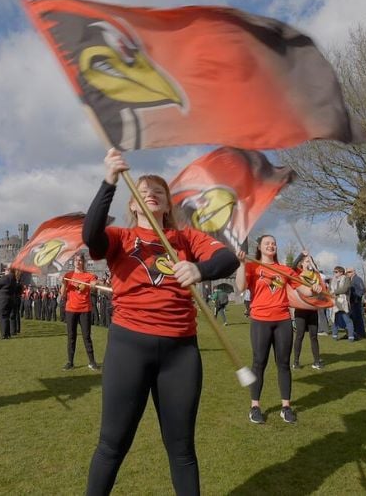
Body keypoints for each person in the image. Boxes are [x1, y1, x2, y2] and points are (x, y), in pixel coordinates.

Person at [82, 149, 239, 495]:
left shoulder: (186, 239)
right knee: (112, 445)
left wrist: (200, 269)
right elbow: (90, 235)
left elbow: (228, 259)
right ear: (134, 204)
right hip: (128, 347)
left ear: (167, 204)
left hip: (180, 353)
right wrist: (109, 180)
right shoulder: (121, 237)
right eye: (143, 190)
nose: (151, 193)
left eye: (159, 191)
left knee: (182, 450)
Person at [236, 237, 323, 425]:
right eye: (267, 243)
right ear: (259, 247)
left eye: (274, 243)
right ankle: (255, 407)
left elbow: (305, 291)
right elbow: (240, 286)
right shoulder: (253, 267)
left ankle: (286, 407)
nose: (271, 245)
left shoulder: (284, 269)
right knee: (259, 363)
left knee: (283, 364)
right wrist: (242, 264)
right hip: (260, 321)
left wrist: (314, 289)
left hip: (283, 320)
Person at [59, 253, 100, 371]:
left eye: (80, 260)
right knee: (71, 337)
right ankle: (70, 362)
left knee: (87, 337)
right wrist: (63, 282)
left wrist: (93, 284)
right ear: (73, 262)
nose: (78, 262)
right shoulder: (68, 275)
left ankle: (92, 362)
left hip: (85, 309)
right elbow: (63, 294)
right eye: (76, 260)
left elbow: (93, 287)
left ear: (83, 262)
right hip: (71, 309)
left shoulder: (89, 276)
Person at [291, 252, 323, 370]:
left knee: (314, 336)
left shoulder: (315, 275)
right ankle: (296, 362)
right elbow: (293, 267)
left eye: (311, 261)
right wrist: (301, 255)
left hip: (312, 309)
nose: (309, 263)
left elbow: (318, 276)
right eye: (307, 261)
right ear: (302, 264)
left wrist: (313, 264)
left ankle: (316, 361)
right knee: (299, 336)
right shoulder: (298, 273)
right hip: (301, 309)